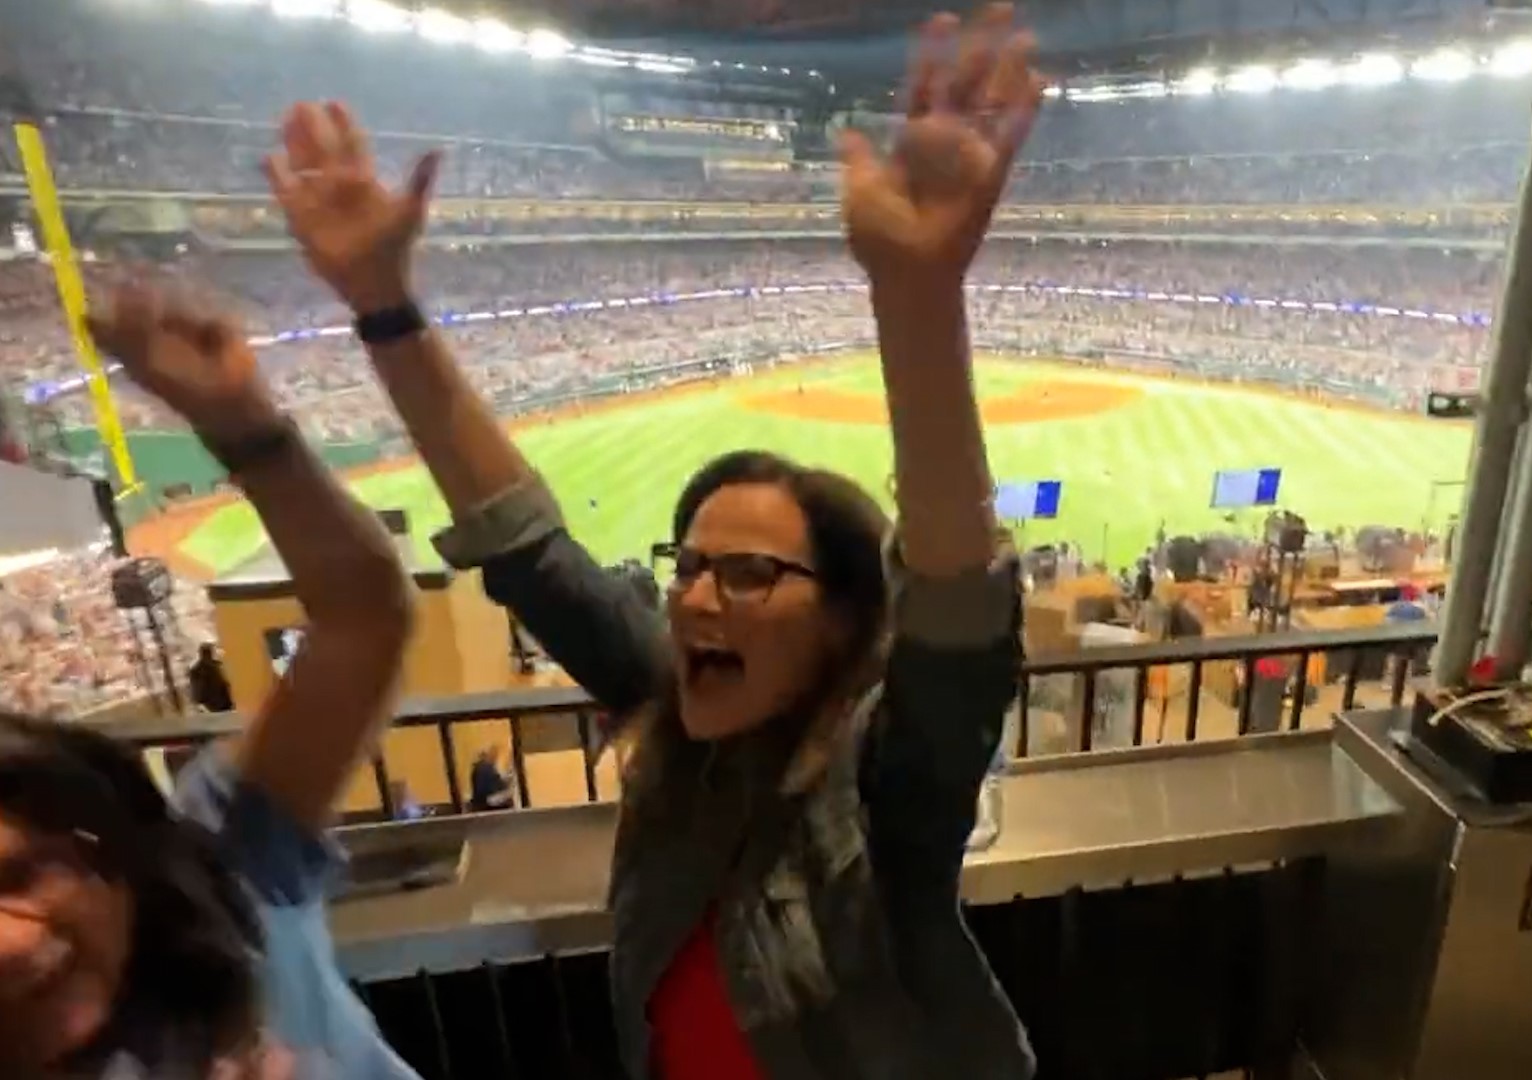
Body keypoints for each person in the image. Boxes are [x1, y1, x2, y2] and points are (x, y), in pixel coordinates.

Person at [263, 6, 1044, 1076]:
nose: (692, 598)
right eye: (688, 565)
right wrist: (385, 308)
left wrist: (916, 300)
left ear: (845, 620)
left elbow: (957, 609)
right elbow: (528, 548)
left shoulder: (889, 783)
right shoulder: (681, 718)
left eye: (750, 573)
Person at [0, 285, 418, 1076]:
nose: (12, 940)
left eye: (23, 873)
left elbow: (362, 613)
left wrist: (246, 428)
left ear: (104, 850)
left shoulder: (217, 873)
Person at [187, 642, 234, 713]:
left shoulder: (196, 669)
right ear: (211, 652)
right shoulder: (213, 667)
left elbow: (197, 689)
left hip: (213, 705)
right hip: (219, 704)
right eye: (214, 651)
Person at [466, 744, 514, 813]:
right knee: (509, 796)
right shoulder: (485, 768)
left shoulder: (479, 767)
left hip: (480, 804)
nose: (496, 757)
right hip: (487, 805)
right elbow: (496, 786)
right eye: (494, 754)